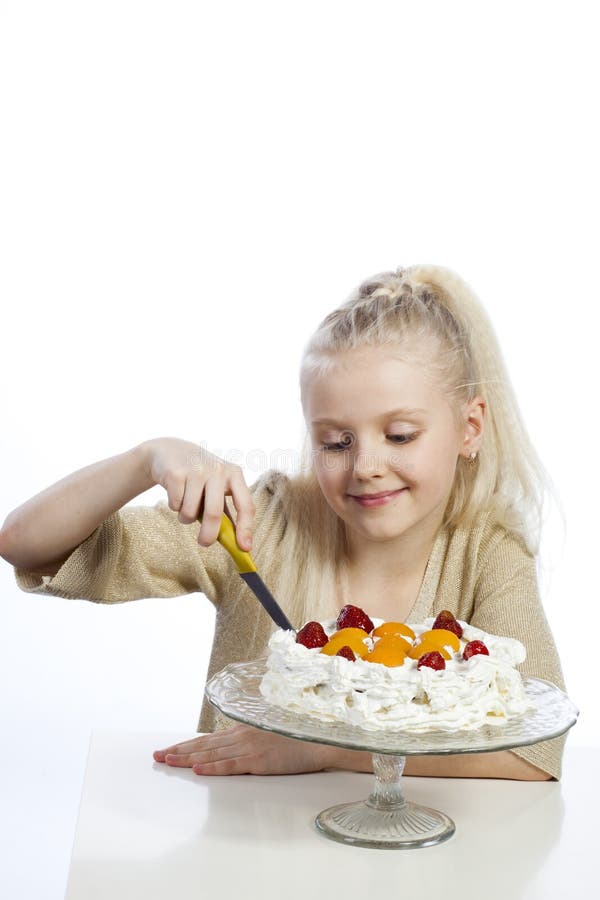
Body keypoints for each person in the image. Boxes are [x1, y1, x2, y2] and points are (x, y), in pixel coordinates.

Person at [0, 264, 568, 781]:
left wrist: (325, 749)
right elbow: (25, 544)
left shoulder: (487, 551)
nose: (367, 467)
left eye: (399, 436)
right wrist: (146, 458)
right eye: (335, 442)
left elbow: (535, 755)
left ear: (469, 429)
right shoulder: (260, 527)